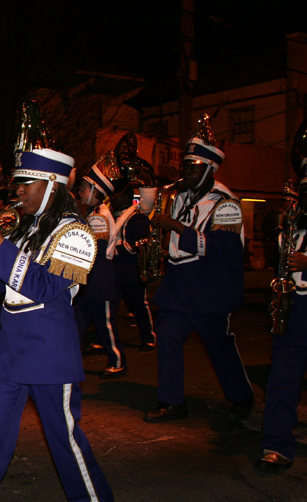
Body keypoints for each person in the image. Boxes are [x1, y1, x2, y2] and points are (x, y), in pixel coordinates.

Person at [0, 141, 115, 502]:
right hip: (9, 348)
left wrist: (2, 248)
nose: (18, 191)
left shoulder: (77, 233)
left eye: (26, 183)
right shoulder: (24, 229)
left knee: (63, 437)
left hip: (49, 350)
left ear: (51, 184)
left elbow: (45, 288)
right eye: (18, 184)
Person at [145, 114, 253, 423]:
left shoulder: (227, 203)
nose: (184, 173)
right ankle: (171, 402)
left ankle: (241, 397)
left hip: (210, 288)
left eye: (191, 169)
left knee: (218, 346)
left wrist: (174, 226)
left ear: (209, 169)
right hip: (179, 286)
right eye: (184, 167)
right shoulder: (178, 197)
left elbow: (219, 249)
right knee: (166, 335)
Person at [257, 137, 307, 473]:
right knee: (281, 382)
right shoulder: (296, 222)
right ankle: (276, 444)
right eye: (306, 190)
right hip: (295, 316)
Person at [73, 151, 129, 378]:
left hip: (98, 278)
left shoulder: (99, 216)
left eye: (85, 189)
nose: (81, 192)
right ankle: (70, 357)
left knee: (104, 324)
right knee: (78, 321)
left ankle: (118, 361)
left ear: (96, 192)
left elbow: (93, 251)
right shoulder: (93, 213)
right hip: (90, 278)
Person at [109, 186, 157, 351]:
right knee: (109, 308)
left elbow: (139, 243)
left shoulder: (138, 218)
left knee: (139, 306)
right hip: (114, 270)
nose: (112, 198)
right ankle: (105, 339)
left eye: (116, 195)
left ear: (125, 197)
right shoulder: (110, 215)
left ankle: (149, 337)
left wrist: (111, 249)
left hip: (132, 271)